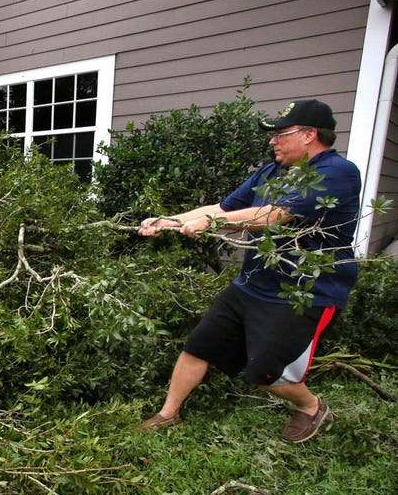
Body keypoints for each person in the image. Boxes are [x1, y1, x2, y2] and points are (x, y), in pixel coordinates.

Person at [137, 99, 362, 443]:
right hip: (253, 283)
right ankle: (169, 414)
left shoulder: (337, 173)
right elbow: (223, 208)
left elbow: (276, 215)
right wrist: (169, 221)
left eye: (280, 133)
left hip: (304, 292)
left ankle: (311, 407)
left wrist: (210, 222)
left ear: (309, 135)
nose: (272, 140)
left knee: (266, 373)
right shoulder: (271, 173)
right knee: (199, 345)